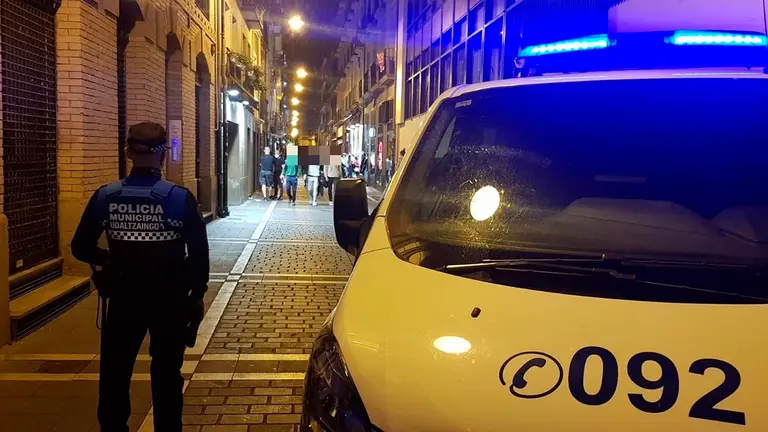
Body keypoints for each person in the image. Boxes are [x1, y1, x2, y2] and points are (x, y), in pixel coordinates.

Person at [71, 122, 209, 432]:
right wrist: (196, 296)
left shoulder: (106, 196)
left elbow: (80, 246)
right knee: (166, 377)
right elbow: (199, 255)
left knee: (115, 373)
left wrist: (111, 259)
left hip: (123, 298)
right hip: (170, 300)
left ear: (128, 153)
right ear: (163, 157)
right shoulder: (179, 198)